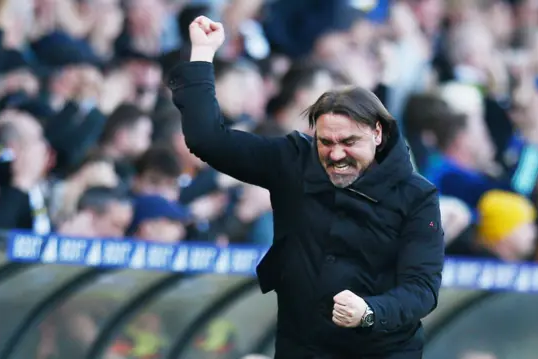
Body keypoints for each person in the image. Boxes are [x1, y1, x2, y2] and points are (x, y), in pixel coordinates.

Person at [167, 16, 444, 358]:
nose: (336, 154)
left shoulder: (417, 196)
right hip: (302, 347)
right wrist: (202, 54)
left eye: (348, 142)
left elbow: (422, 289)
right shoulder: (293, 160)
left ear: (377, 133)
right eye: (326, 141)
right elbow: (208, 140)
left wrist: (370, 312)